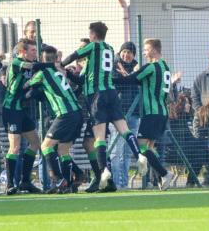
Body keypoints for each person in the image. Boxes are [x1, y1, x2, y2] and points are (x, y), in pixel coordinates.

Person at [61, 22, 147, 192]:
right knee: (124, 129)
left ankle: (104, 171)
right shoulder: (109, 49)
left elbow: (72, 56)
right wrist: (70, 73)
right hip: (112, 94)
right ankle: (139, 155)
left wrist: (59, 65)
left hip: (97, 96)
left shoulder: (93, 47)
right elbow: (82, 79)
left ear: (93, 34)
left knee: (98, 137)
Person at [114, 38, 175, 190]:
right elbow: (141, 81)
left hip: (152, 113)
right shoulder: (165, 67)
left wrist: (118, 77)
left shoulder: (151, 67)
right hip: (162, 112)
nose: (144, 53)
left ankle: (164, 173)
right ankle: (159, 177)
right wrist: (129, 75)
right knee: (149, 147)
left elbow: (129, 80)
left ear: (154, 50)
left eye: (146, 49)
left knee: (140, 147)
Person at [24, 46, 84, 194]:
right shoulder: (59, 72)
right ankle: (72, 180)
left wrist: (25, 91)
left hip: (65, 114)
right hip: (77, 113)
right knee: (63, 150)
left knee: (46, 147)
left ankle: (58, 180)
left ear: (42, 59)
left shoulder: (43, 73)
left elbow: (25, 87)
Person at [2, 39, 48, 195]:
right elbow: (33, 67)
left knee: (35, 142)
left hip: (22, 110)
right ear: (22, 52)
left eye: (36, 50)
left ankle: (25, 182)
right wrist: (51, 64)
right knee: (14, 147)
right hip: (11, 110)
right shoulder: (17, 62)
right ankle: (9, 184)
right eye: (33, 50)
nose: (35, 53)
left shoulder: (32, 65)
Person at [109, 41, 141, 189]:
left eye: (130, 52)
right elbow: (118, 84)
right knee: (117, 151)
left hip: (134, 114)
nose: (127, 55)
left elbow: (136, 82)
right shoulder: (113, 67)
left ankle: (124, 183)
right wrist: (129, 76)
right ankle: (116, 182)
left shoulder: (137, 68)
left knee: (128, 152)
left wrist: (130, 75)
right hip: (118, 114)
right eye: (125, 52)